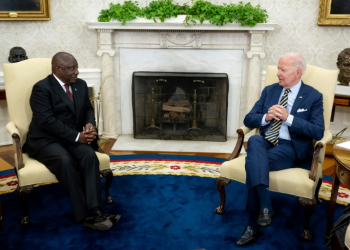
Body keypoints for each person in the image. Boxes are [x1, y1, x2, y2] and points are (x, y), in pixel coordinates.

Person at [23, 52, 120, 230]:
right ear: (58, 69)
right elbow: (46, 122)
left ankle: (96, 210)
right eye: (71, 68)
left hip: (71, 138)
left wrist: (90, 125)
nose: (76, 72)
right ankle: (86, 216)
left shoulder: (80, 85)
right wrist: (78, 136)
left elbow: (87, 109)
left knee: (89, 155)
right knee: (65, 160)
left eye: (76, 67)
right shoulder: (42, 88)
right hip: (45, 139)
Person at [236, 52, 324, 246]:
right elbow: (249, 119)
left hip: (291, 147)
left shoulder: (313, 96)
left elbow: (318, 131)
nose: (278, 73)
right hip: (266, 141)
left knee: (254, 162)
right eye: (277, 68)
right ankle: (266, 206)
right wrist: (266, 117)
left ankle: (252, 225)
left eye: (282, 69)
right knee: (255, 142)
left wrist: (288, 118)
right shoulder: (270, 91)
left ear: (298, 72)